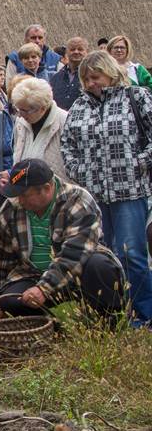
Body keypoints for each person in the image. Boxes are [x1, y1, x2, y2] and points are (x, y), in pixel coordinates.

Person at [61, 50, 152, 323]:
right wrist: (80, 171)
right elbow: (68, 146)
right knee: (105, 255)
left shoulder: (136, 97)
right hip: (96, 194)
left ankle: (144, 313)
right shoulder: (79, 106)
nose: (91, 83)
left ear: (110, 74)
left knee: (131, 254)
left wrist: (140, 162)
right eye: (86, 79)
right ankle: (115, 311)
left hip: (130, 191)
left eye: (96, 77)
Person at [0, 159, 127, 321]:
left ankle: (105, 323)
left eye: (24, 195)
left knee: (99, 266)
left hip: (78, 272)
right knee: (9, 300)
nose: (20, 200)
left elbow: (75, 253)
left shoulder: (77, 200)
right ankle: (48, 326)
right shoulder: (10, 209)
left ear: (47, 188)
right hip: (32, 274)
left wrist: (44, 289)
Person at [11, 77, 70, 183]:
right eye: (18, 109)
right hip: (26, 187)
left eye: (25, 111)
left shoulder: (65, 122)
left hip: (55, 188)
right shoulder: (21, 122)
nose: (20, 115)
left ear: (42, 108)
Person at [50, 36, 87, 110]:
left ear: (86, 52)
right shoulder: (56, 78)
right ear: (66, 52)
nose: (76, 52)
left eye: (80, 49)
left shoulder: (91, 76)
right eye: (72, 49)